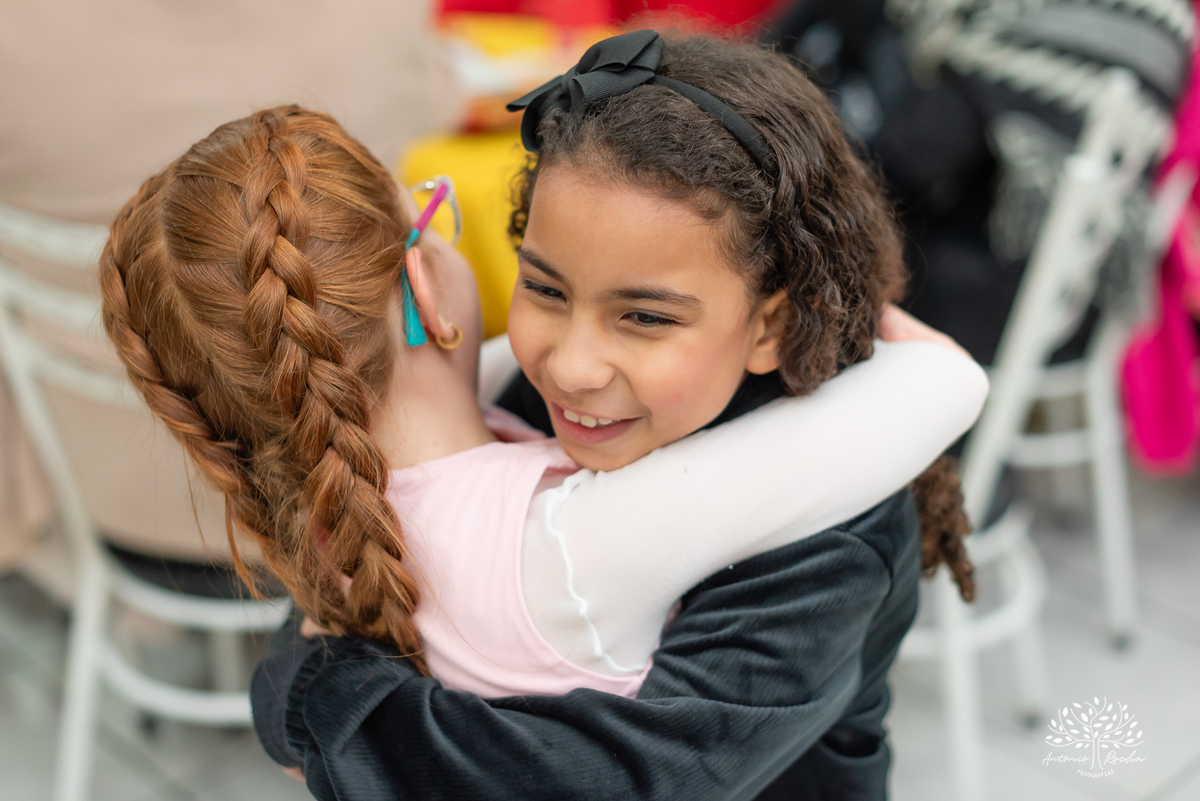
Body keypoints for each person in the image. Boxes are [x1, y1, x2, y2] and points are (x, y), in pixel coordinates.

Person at [103, 33, 983, 800]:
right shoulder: (567, 498)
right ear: (424, 288)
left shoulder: (831, 535)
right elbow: (947, 385)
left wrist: (311, 703)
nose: (569, 364)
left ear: (772, 321)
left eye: (644, 314)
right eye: (542, 286)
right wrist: (877, 319)